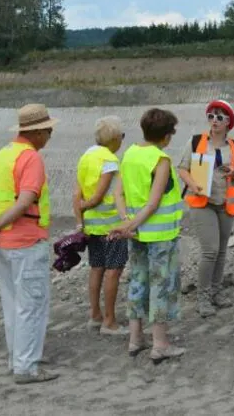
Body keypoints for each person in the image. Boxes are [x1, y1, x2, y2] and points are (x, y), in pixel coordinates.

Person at [0, 103, 59, 384]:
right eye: (47, 130)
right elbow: (25, 201)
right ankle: (27, 367)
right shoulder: (30, 159)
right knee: (31, 304)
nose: (50, 134)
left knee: (13, 303)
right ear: (36, 132)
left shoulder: (2, 155)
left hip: (1, 242)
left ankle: (17, 358)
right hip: (25, 241)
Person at [109, 108, 186, 363]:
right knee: (161, 285)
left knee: (138, 281)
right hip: (160, 234)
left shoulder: (129, 154)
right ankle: (160, 344)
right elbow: (153, 203)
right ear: (166, 136)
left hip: (137, 234)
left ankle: (135, 339)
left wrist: (126, 223)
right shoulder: (160, 160)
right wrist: (131, 224)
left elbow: (117, 194)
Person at [178, 100, 234, 318]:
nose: (214, 120)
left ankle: (216, 292)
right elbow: (182, 168)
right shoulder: (196, 141)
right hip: (201, 202)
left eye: (219, 117)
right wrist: (193, 184)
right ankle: (203, 296)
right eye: (211, 116)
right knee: (210, 250)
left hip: (225, 203)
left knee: (222, 250)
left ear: (228, 123)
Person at [73, 115, 129, 335]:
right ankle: (110, 321)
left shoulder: (86, 156)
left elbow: (76, 193)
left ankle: (95, 315)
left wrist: (80, 216)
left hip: (92, 226)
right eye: (122, 136)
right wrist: (88, 204)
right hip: (111, 226)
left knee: (96, 268)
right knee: (113, 271)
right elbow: (98, 197)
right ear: (114, 138)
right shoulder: (109, 160)